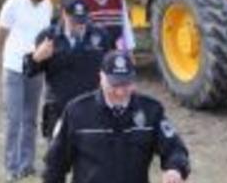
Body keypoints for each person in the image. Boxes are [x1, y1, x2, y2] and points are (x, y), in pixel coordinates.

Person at [43, 51, 191, 183]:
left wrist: (175, 169)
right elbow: (55, 162)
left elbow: (175, 149)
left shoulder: (151, 111)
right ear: (101, 77)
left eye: (126, 84)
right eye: (114, 85)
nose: (120, 92)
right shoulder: (77, 111)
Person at [23, 0, 111, 140]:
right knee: (57, 158)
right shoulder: (48, 36)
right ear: (64, 14)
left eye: (82, 21)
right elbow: (29, 71)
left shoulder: (100, 36)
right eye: (74, 21)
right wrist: (36, 58)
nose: (79, 26)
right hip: (59, 109)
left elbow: (109, 69)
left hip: (91, 108)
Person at [0, 0, 54, 181]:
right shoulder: (14, 3)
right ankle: (11, 166)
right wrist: (7, 58)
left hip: (35, 69)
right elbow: (1, 34)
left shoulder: (47, 5)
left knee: (30, 119)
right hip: (13, 68)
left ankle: (26, 164)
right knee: (14, 119)